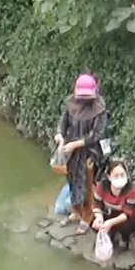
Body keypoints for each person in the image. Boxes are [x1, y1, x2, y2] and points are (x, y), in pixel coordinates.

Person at [55, 73, 108, 235]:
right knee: (71, 179)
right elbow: (62, 123)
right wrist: (59, 135)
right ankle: (75, 212)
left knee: (87, 182)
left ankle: (87, 216)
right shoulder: (70, 104)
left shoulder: (99, 109)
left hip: (90, 150)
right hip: (70, 149)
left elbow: (97, 134)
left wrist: (77, 144)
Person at [92, 160, 135, 251]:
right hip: (108, 212)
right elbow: (96, 204)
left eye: (122, 175)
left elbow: (128, 213)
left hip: (127, 216)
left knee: (127, 226)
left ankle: (124, 238)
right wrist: (98, 217)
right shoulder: (101, 187)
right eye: (115, 175)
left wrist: (111, 223)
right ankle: (108, 234)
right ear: (109, 177)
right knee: (94, 221)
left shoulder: (133, 190)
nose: (119, 178)